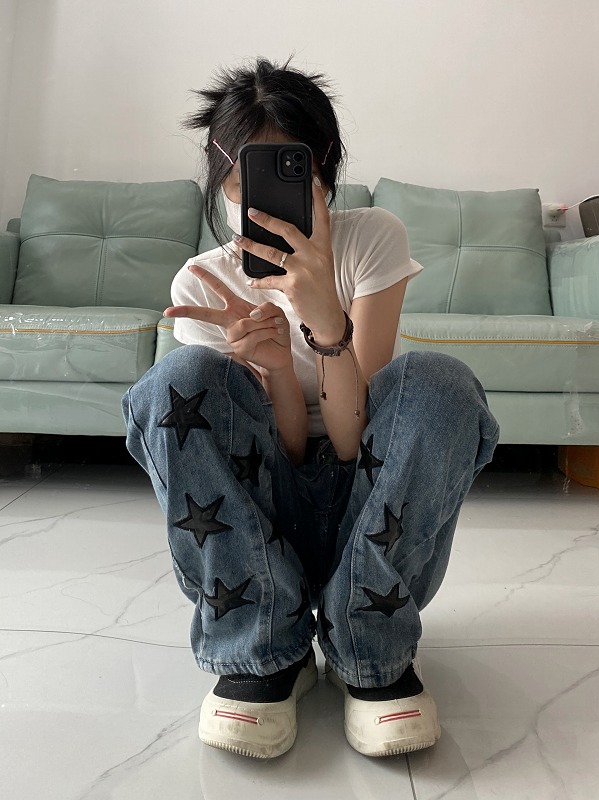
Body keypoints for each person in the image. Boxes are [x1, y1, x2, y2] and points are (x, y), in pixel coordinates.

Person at [122, 57, 499, 760]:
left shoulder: (372, 238)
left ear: (323, 169)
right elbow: (286, 454)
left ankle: (370, 649)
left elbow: (358, 443)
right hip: (259, 527)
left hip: (372, 505)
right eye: (243, 184)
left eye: (290, 176)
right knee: (177, 380)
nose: (263, 205)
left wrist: (326, 322)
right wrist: (272, 370)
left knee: (440, 382)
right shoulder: (203, 282)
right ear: (221, 183)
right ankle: (266, 649)